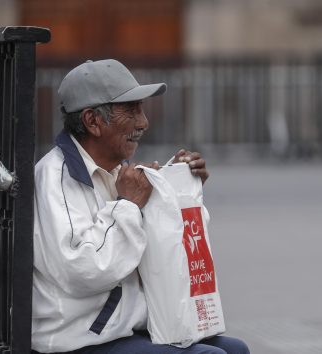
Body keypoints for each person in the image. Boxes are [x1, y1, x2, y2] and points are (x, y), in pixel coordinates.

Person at [31, 59, 250, 354]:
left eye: (141, 109)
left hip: (126, 327)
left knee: (236, 349)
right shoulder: (56, 177)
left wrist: (179, 196)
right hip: (78, 338)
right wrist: (129, 204)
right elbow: (83, 270)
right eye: (131, 110)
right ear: (92, 121)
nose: (143, 122)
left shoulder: (116, 171)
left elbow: (166, 252)